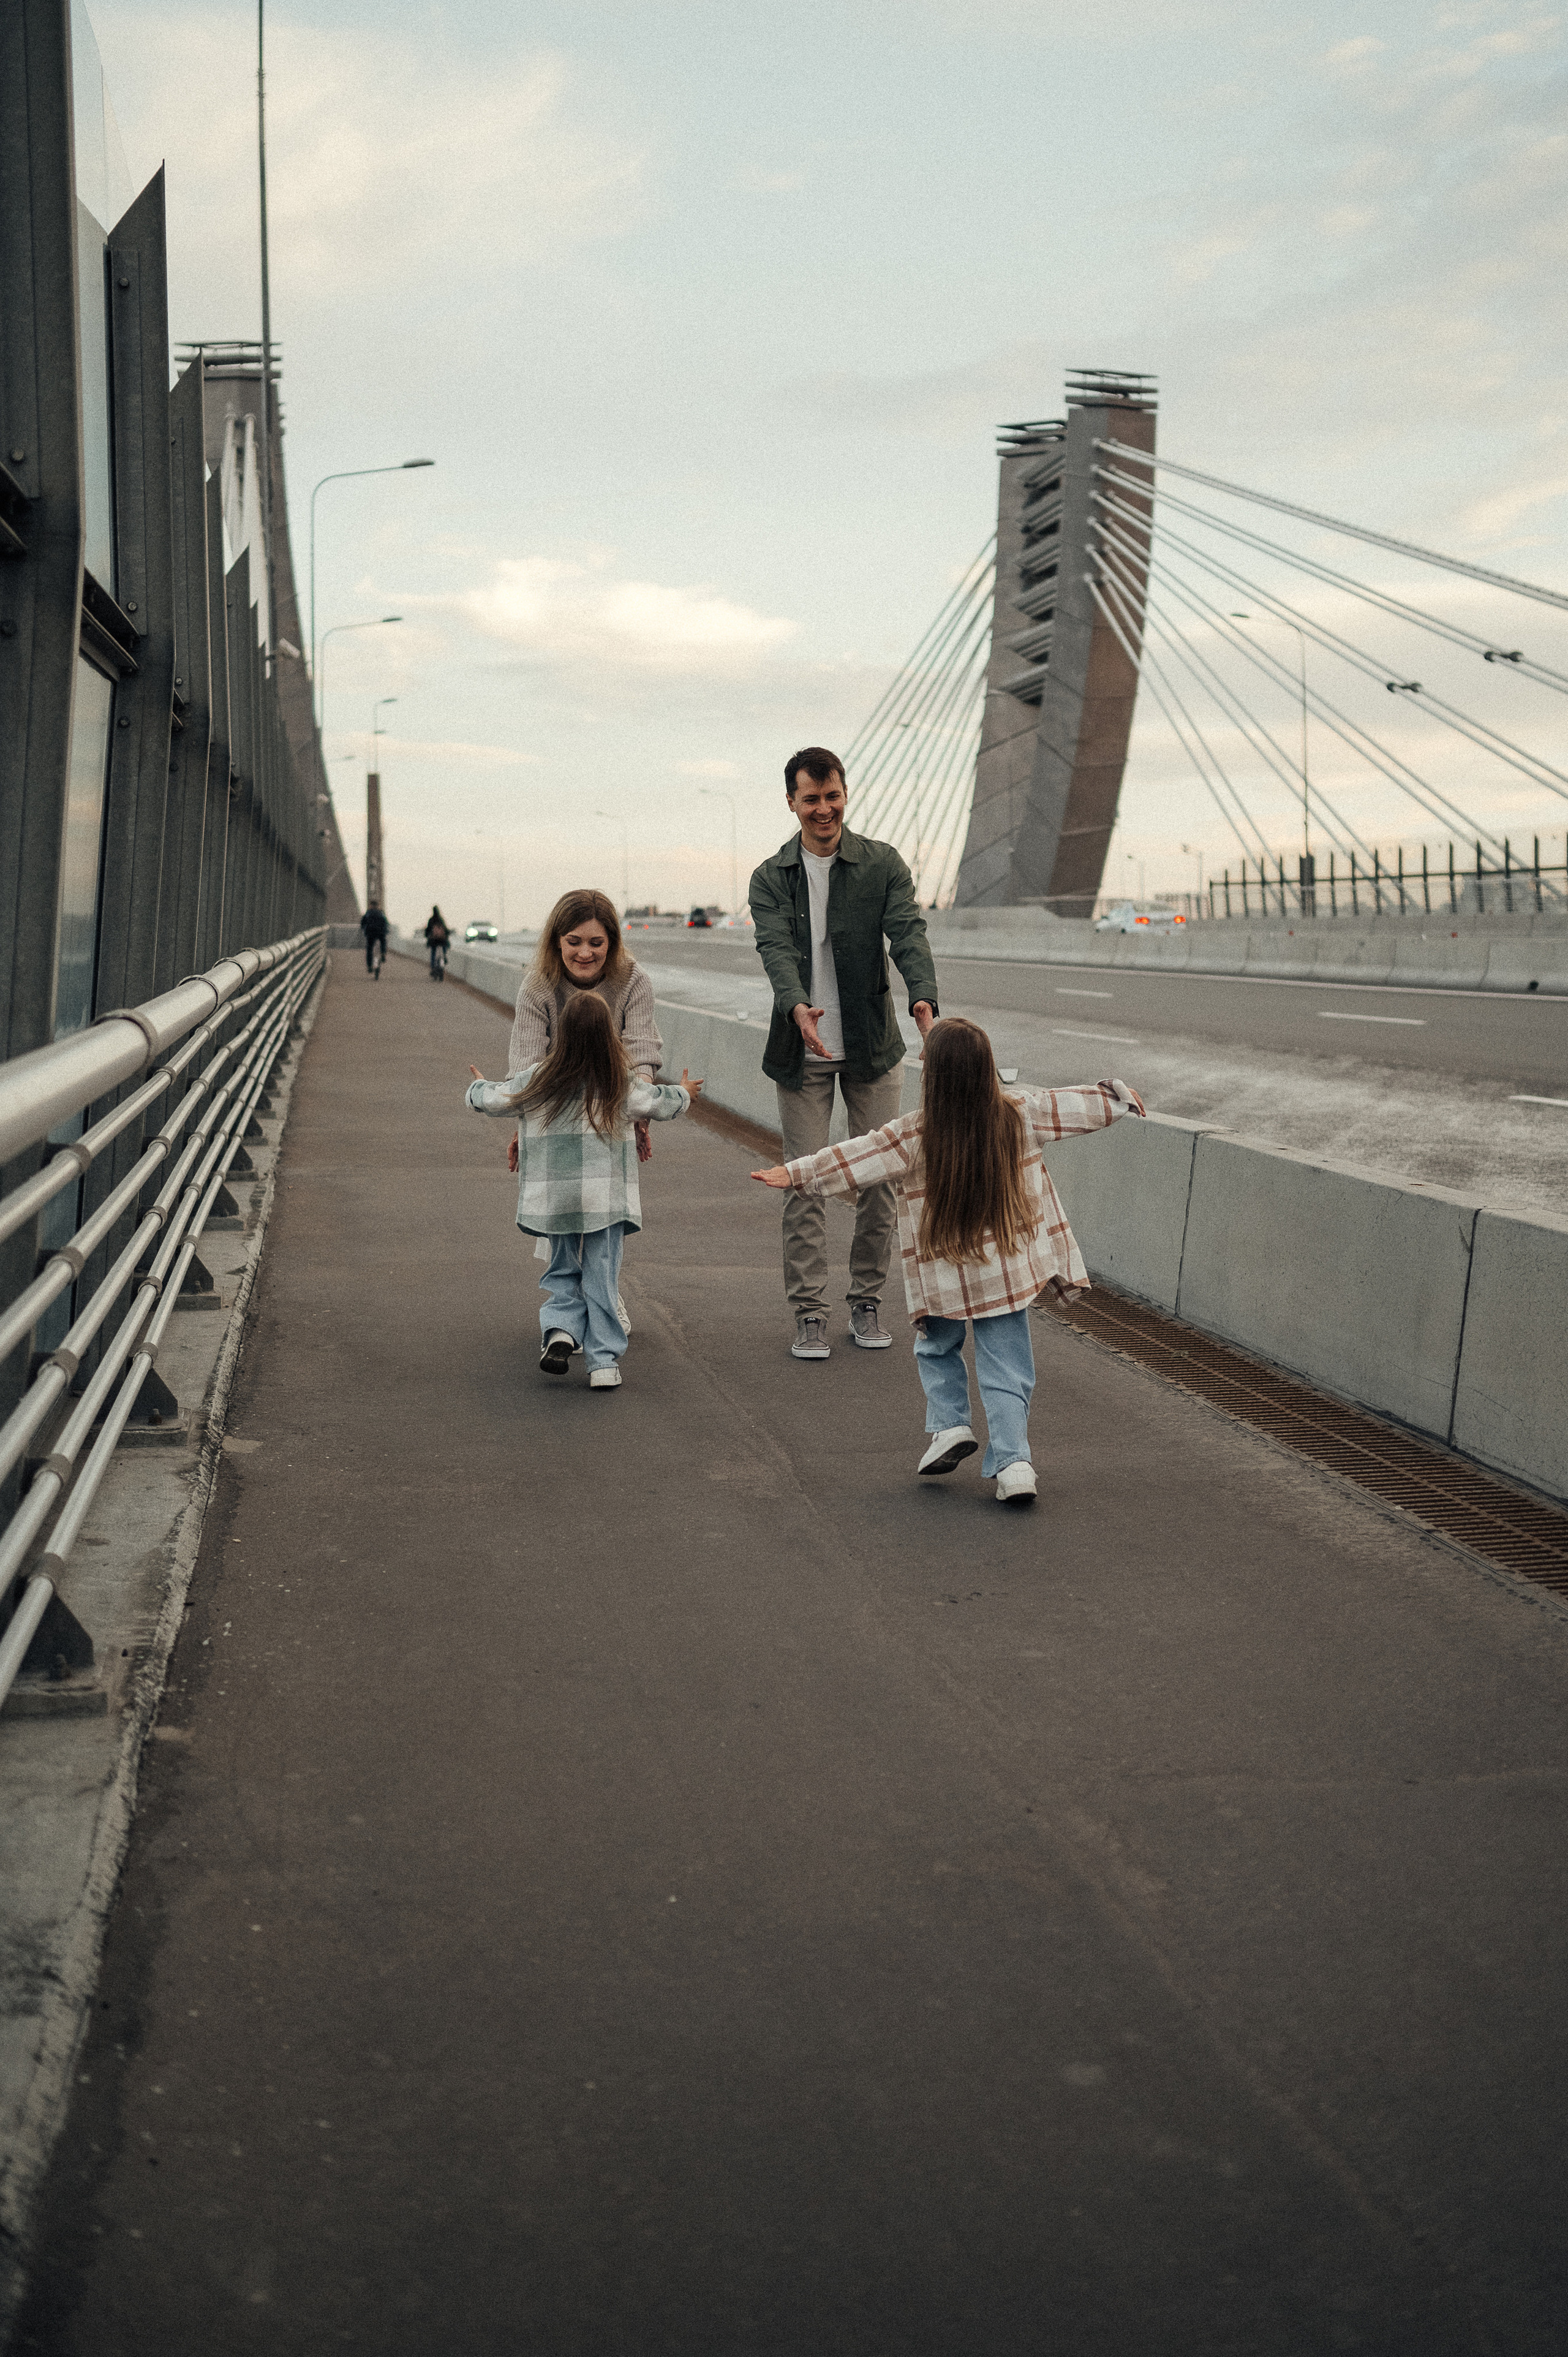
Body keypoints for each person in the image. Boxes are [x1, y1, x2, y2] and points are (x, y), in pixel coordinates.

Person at [751, 1016, 1144, 1506]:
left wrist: (795, 1173)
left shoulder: (914, 1134)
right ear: (988, 1070)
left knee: (936, 1349)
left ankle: (951, 1425)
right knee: (1007, 1367)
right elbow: (1072, 1107)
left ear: (931, 1077)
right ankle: (1015, 1462)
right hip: (1005, 1274)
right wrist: (1118, 1097)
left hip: (943, 1275)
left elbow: (857, 1157)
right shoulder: (1020, 1113)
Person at [748, 746, 939, 1362]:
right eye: (811, 799)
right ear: (792, 803)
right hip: (801, 1048)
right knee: (804, 1181)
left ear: (844, 794)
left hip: (872, 1046)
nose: (824, 809)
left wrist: (923, 996)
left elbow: (908, 930)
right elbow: (775, 947)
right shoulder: (770, 876)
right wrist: (796, 1004)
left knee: (881, 1178)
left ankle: (866, 1299)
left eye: (832, 797)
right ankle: (808, 1311)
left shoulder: (880, 864)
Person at [466, 993, 701, 1390]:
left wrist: (475, 1088)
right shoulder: (617, 1080)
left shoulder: (539, 1078)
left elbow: (496, 1098)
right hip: (604, 1201)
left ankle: (560, 1331)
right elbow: (656, 1103)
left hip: (555, 1201)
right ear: (609, 1036)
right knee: (601, 1276)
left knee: (561, 1270)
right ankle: (604, 1362)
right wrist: (685, 1092)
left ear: (562, 1035)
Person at [505, 890, 663, 1179]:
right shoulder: (537, 987)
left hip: (615, 1110)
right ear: (557, 941)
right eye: (574, 942)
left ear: (612, 943)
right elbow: (525, 1068)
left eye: (597, 943)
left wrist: (641, 1116)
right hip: (553, 1110)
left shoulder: (634, 981)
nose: (585, 953)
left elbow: (641, 1053)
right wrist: (523, 1127)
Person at [359, 901, 389, 975]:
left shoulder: (368, 913)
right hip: (381, 932)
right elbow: (386, 923)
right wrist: (386, 931)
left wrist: (363, 929)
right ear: (378, 906)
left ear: (370, 906)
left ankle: (370, 967)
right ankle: (383, 953)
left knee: (369, 949)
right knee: (383, 941)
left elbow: (363, 923)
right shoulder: (381, 913)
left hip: (370, 933)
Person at [423, 906, 451, 978]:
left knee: (433, 953)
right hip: (442, 941)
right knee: (444, 951)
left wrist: (427, 935)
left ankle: (433, 968)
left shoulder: (431, 920)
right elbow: (446, 930)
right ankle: (444, 958)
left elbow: (428, 930)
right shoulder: (441, 920)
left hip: (434, 941)